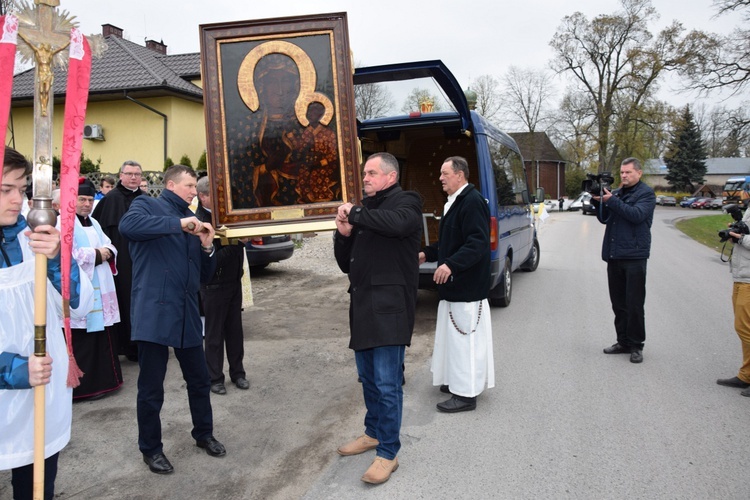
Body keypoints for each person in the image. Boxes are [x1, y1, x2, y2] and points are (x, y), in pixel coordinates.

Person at [119, 164, 225, 475]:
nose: (195, 192)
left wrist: (207, 247)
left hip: (187, 311)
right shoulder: (146, 204)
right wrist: (178, 224)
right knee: (152, 387)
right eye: (190, 186)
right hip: (155, 310)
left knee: (199, 379)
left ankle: (204, 434)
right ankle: (150, 449)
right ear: (170, 184)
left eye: (195, 187)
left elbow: (204, 275)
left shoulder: (195, 220)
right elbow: (129, 227)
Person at [1, 146, 92, 499]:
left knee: (37, 489)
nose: (16, 199)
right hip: (9, 388)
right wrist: (12, 370)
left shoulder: (34, 238)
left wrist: (56, 260)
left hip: (43, 394)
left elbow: (78, 306)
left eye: (21, 189)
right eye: (5, 190)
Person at [333, 152, 422, 485]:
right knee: (368, 379)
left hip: (390, 310)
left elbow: (398, 224)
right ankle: (373, 432)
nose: (365, 177)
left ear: (391, 176)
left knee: (387, 385)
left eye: (372, 173)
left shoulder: (407, 202)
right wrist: (343, 233)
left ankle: (388, 452)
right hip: (363, 307)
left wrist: (355, 213)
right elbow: (347, 263)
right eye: (364, 173)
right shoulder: (366, 210)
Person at [419, 156, 495, 413]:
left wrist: (450, 264)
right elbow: (451, 242)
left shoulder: (472, 202)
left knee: (466, 342)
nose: (440, 178)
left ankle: (466, 395)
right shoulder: (455, 201)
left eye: (445, 173)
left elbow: (477, 243)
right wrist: (427, 254)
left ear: (460, 175)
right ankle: (455, 380)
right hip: (455, 287)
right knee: (454, 340)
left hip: (467, 286)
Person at [591, 157, 655, 364]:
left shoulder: (646, 194)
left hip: (635, 256)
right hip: (615, 255)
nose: (624, 176)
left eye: (628, 172)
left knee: (634, 304)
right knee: (618, 303)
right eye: (622, 173)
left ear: (639, 173)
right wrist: (597, 202)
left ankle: (636, 345)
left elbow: (636, 215)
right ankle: (623, 341)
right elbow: (605, 218)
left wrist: (613, 202)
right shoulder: (616, 193)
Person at [195, 176, 249, 395]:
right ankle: (214, 377)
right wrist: (238, 243)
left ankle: (238, 373)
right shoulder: (199, 221)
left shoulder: (226, 216)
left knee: (235, 331)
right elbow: (212, 258)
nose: (222, 200)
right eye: (216, 196)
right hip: (214, 285)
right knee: (214, 334)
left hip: (233, 281)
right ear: (203, 196)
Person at [70, 177, 123, 401]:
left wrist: (105, 251)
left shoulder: (94, 222)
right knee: (84, 338)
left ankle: (106, 382)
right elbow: (69, 255)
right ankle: (85, 387)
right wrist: (98, 253)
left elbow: (109, 244)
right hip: (82, 289)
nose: (86, 204)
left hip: (100, 284)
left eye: (90, 200)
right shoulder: (64, 223)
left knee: (103, 335)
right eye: (82, 199)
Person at [92, 161, 145, 361]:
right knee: (123, 299)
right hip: (121, 263)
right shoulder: (110, 199)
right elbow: (100, 232)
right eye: (129, 173)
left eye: (137, 174)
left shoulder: (146, 199)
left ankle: (143, 345)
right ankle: (125, 345)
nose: (133, 177)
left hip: (143, 260)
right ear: (120, 175)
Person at [717, 207, 750, 396]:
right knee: (744, 328)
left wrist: (740, 238)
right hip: (741, 275)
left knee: (744, 328)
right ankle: (745, 375)